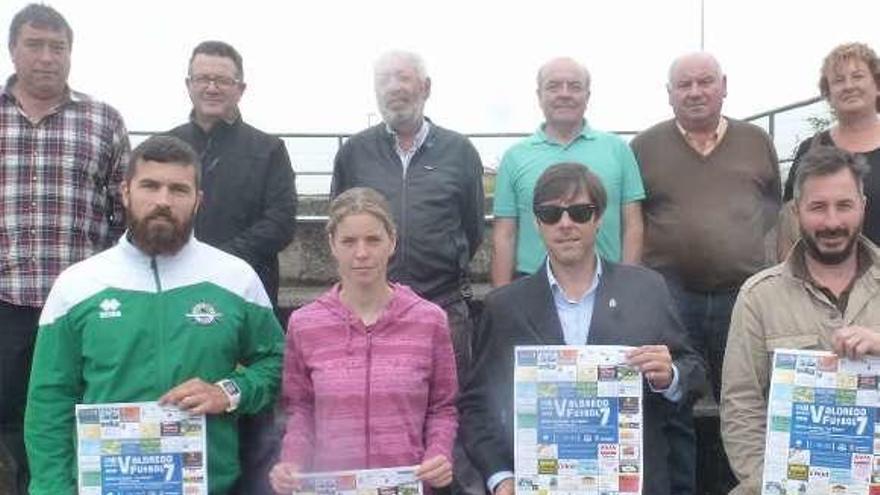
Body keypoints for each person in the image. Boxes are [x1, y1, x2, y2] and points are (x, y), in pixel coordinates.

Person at [24, 135, 284, 495]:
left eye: (178, 189)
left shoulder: (236, 278)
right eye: (150, 186)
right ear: (126, 192)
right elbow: (48, 403)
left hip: (210, 485)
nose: (163, 201)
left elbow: (277, 363)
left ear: (198, 201)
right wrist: (52, 490)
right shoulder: (76, 285)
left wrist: (229, 391)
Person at [460, 163, 705, 495]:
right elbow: (477, 406)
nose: (565, 224)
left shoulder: (647, 289)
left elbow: (693, 372)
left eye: (579, 212)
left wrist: (671, 375)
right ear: (536, 223)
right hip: (541, 484)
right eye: (551, 214)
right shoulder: (505, 307)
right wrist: (501, 476)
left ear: (599, 218)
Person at [330, 50, 483, 495]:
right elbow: (342, 222)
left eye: (404, 77)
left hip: (442, 305)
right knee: (377, 416)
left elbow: (471, 229)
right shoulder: (355, 151)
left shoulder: (459, 151)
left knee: (450, 413)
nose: (394, 87)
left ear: (425, 87)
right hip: (369, 311)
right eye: (385, 79)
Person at [630, 52, 781, 494]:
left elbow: (773, 207)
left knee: (747, 404)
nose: (695, 92)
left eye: (705, 82)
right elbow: (634, 217)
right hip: (670, 297)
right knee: (674, 404)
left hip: (743, 296)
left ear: (724, 85)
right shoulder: (644, 146)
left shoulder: (755, 141)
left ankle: (745, 486)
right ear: (670, 93)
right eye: (684, 84)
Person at [0, 5, 130, 494]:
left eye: (58, 47)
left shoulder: (103, 120)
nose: (47, 58)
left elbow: (125, 215)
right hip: (5, 304)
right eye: (35, 45)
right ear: (13, 49)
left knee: (79, 413)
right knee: (7, 416)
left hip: (80, 306)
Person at [168, 39, 297, 495]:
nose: (212, 86)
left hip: (247, 306)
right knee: (184, 416)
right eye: (203, 77)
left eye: (222, 79)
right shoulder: (165, 148)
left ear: (241, 88)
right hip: (175, 312)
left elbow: (281, 222)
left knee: (252, 431)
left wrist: (216, 264)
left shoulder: (268, 149)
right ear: (188, 84)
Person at [269, 187, 458, 494]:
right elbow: (300, 409)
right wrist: (292, 461)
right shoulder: (304, 324)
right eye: (349, 241)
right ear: (332, 244)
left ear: (392, 241)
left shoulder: (430, 319)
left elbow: (443, 407)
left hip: (406, 485)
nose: (361, 253)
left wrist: (439, 452)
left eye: (373, 240)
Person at [722, 146, 880, 495]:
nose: (832, 222)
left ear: (863, 208)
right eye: (817, 207)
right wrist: (772, 483)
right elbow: (741, 407)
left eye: (844, 206)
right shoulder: (758, 296)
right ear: (795, 212)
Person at [491, 57, 645, 287]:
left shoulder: (618, 150)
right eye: (553, 86)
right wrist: (501, 302)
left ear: (587, 96)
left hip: (608, 284)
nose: (564, 94)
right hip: (533, 287)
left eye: (574, 86)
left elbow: (633, 225)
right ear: (539, 95)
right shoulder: (514, 157)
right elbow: (504, 235)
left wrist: (628, 287)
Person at [780, 42, 880, 255]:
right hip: (823, 282)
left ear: (877, 85)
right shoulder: (811, 149)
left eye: (858, 76)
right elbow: (789, 223)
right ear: (828, 93)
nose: (848, 86)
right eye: (838, 80)